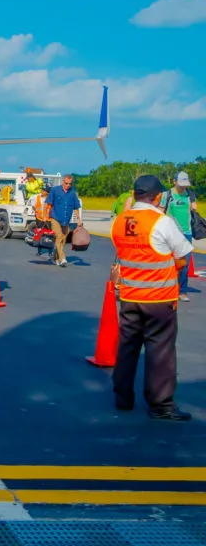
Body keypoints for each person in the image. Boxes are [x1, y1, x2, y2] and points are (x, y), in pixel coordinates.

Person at [112, 174, 194, 421]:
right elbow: (182, 256)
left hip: (129, 297)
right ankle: (161, 405)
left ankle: (122, 397)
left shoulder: (119, 221)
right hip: (158, 299)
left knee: (127, 347)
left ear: (134, 194)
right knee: (160, 352)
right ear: (158, 196)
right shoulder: (161, 221)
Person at [162, 171, 198, 303]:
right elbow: (161, 212)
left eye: (185, 184)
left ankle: (182, 291)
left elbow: (193, 209)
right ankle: (167, 289)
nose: (183, 187)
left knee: (184, 264)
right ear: (174, 181)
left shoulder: (190, 194)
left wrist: (193, 207)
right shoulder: (167, 195)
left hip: (186, 233)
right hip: (171, 233)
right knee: (168, 263)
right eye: (181, 184)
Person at [45, 174, 82, 267]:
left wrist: (78, 220)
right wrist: (45, 215)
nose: (68, 185)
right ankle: (62, 258)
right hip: (55, 218)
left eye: (70, 184)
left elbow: (76, 207)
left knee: (63, 239)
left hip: (66, 220)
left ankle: (55, 257)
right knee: (58, 236)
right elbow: (48, 203)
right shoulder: (55, 190)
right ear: (62, 182)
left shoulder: (72, 193)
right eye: (66, 183)